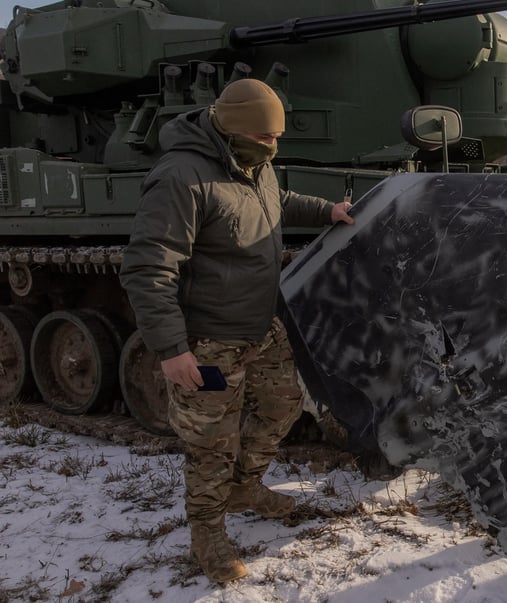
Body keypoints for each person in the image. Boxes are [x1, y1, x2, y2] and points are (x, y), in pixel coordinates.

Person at [119, 78, 354, 583]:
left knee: (282, 404)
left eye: (276, 137)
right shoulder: (181, 177)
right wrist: (171, 349)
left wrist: (325, 211)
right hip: (208, 339)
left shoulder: (254, 165)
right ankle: (207, 534)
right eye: (266, 138)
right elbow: (147, 267)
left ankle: (246, 485)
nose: (275, 146)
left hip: (259, 326)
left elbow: (275, 201)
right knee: (210, 442)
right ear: (232, 130)